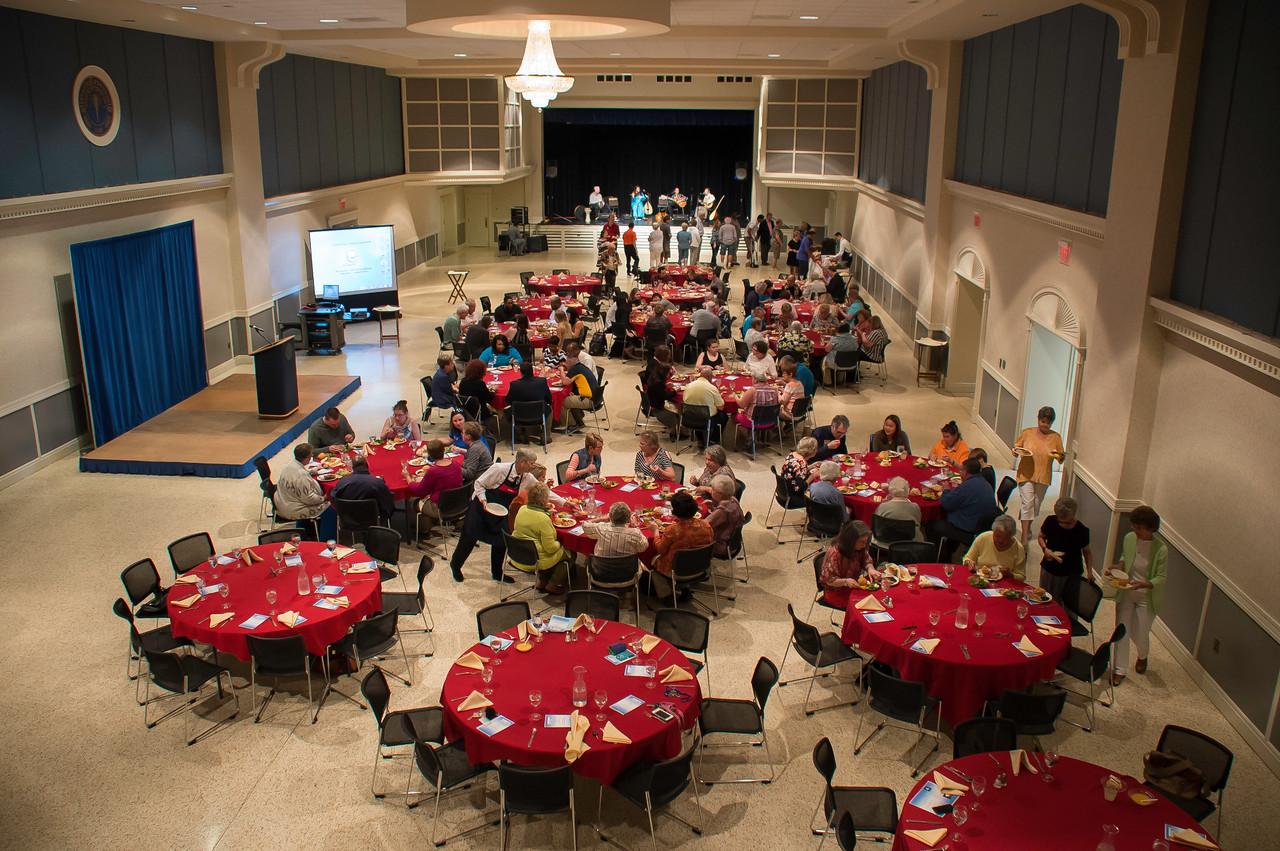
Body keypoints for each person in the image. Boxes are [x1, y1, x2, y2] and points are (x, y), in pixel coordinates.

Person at [449, 448, 553, 583]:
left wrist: (564, 502)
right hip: (481, 508)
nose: (534, 466)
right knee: (469, 537)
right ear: (522, 462)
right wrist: (483, 500)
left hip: (501, 512)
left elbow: (541, 489)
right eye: (532, 463)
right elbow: (479, 483)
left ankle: (497, 572)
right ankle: (455, 565)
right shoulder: (499, 469)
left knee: (500, 541)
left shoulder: (527, 477)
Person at [1111, 505, 1166, 686]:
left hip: (1145, 596)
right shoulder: (1129, 538)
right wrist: (1119, 567)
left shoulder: (1161, 549)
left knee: (1141, 633)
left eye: (1139, 528)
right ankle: (1119, 670)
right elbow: (1125, 557)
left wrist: (1146, 584)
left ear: (1151, 528)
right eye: (1134, 526)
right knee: (1122, 630)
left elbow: (1161, 577)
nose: (1135, 530)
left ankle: (1143, 655)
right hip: (1127, 592)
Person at [1014, 405, 1066, 543]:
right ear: (1038, 420)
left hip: (1043, 475)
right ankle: (1025, 536)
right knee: (1028, 503)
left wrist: (1059, 456)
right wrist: (1016, 451)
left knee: (1035, 505)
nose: (1045, 425)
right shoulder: (1027, 433)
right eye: (1043, 421)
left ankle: (1028, 526)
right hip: (1026, 473)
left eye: (1048, 423)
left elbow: (1060, 459)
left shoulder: (1056, 437)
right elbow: (1016, 448)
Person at [509, 483, 571, 594]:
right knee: (569, 553)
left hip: (518, 553)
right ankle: (553, 584)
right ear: (544, 500)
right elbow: (550, 548)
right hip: (535, 560)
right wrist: (561, 542)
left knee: (541, 549)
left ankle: (542, 581)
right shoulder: (543, 518)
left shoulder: (522, 509)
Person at [652, 492, 713, 602]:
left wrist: (655, 532)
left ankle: (666, 595)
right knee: (687, 556)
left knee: (652, 562)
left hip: (676, 569)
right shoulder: (706, 525)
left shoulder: (673, 530)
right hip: (700, 566)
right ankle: (685, 589)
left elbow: (660, 549)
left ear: (675, 511)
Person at [928, 457, 996, 554]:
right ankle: (949, 550)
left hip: (971, 530)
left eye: (961, 470)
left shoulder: (968, 486)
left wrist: (946, 489)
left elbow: (947, 504)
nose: (960, 473)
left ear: (965, 472)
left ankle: (940, 557)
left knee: (932, 525)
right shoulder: (984, 483)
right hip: (984, 527)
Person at [1037, 496, 1094, 605]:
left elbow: (1087, 552)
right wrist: (1045, 549)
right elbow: (1041, 536)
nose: (1063, 524)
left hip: (1071, 572)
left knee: (1067, 605)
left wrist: (1090, 571)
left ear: (1073, 515)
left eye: (1067, 522)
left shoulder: (1081, 530)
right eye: (1060, 521)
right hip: (1049, 569)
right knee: (1044, 600)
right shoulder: (1051, 521)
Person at [275, 443, 336, 540]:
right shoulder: (301, 475)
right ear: (307, 458)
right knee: (331, 508)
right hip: (295, 508)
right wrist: (324, 498)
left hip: (284, 501)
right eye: (311, 455)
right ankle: (326, 540)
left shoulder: (290, 466)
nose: (312, 456)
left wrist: (314, 471)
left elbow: (301, 475)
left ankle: (306, 530)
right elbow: (309, 499)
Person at [408, 439, 463, 540]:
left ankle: (424, 531)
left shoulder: (433, 471)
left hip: (440, 508)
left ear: (429, 454)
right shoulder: (456, 465)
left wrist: (408, 478)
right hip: (458, 504)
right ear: (443, 450)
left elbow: (419, 491)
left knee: (412, 500)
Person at [820, 520, 881, 608]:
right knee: (868, 604)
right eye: (861, 542)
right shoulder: (835, 554)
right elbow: (829, 580)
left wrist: (870, 569)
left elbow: (866, 560)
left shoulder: (859, 548)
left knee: (878, 597)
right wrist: (845, 581)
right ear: (851, 540)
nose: (864, 545)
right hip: (836, 592)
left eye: (866, 542)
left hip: (852, 586)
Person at [962, 515, 1027, 581]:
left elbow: (1021, 576)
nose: (1000, 541)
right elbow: (967, 558)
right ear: (993, 531)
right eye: (997, 536)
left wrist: (1010, 574)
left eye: (1005, 538)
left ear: (1011, 536)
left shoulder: (1019, 548)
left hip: (1005, 585)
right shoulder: (983, 537)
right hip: (980, 580)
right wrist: (969, 562)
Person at [331, 456, 396, 522]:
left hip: (349, 519)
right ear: (367, 465)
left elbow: (333, 498)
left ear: (352, 467)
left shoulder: (342, 482)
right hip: (374, 519)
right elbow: (388, 504)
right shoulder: (377, 483)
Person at [505, 361, 553, 443]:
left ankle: (520, 434)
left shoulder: (514, 384)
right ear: (533, 371)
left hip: (519, 415)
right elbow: (549, 399)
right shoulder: (542, 382)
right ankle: (546, 435)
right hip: (539, 413)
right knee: (549, 408)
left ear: (521, 372)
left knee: (506, 411)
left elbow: (508, 401)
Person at [583, 502, 649, 560]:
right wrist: (635, 526)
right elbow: (643, 547)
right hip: (628, 572)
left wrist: (601, 518)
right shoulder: (635, 533)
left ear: (610, 517)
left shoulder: (601, 528)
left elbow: (585, 525)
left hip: (601, 571)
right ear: (628, 519)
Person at [559, 346, 601, 434]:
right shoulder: (580, 367)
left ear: (572, 359)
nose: (566, 362)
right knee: (570, 396)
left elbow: (565, 382)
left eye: (567, 360)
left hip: (589, 400)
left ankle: (573, 424)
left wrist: (561, 370)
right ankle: (578, 420)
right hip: (596, 397)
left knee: (563, 400)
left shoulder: (575, 369)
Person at [733, 371, 780, 450]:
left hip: (754, 421)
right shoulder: (775, 390)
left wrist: (735, 396)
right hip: (770, 420)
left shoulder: (752, 390)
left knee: (735, 415)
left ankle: (749, 439)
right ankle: (756, 438)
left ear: (755, 379)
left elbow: (741, 404)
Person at [681, 366, 729, 442]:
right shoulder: (712, 388)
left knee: (697, 410)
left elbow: (684, 400)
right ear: (710, 377)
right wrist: (719, 397)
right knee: (723, 416)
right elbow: (721, 407)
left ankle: (700, 439)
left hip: (689, 417)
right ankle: (713, 439)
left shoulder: (688, 386)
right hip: (706, 420)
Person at [643, 348, 681, 436]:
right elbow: (666, 396)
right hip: (657, 407)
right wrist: (675, 391)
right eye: (668, 373)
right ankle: (677, 431)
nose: (669, 375)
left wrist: (666, 386)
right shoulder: (658, 383)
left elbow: (660, 392)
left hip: (654, 401)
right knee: (678, 409)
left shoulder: (656, 378)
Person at [875, 477, 924, 542]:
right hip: (909, 542)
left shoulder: (882, 506)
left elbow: (877, 525)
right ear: (908, 491)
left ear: (890, 491)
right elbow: (918, 525)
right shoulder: (915, 507)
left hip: (885, 541)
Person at [706, 475, 744, 557]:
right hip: (733, 542)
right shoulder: (733, 499)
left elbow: (703, 525)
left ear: (720, 494)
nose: (711, 491)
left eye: (713, 490)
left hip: (721, 546)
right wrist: (712, 508)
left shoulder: (723, 510)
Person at [459, 420, 492, 486]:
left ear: (468, 436)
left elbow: (469, 474)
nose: (461, 434)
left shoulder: (475, 449)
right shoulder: (479, 444)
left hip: (479, 483)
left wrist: (455, 467)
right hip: (485, 478)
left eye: (463, 433)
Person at [778, 359, 807, 426]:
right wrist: (783, 391)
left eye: (784, 373)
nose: (782, 375)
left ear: (790, 374)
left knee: (772, 411)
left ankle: (776, 433)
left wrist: (777, 393)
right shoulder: (799, 383)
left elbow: (782, 402)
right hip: (800, 413)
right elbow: (792, 394)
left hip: (790, 414)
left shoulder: (790, 385)